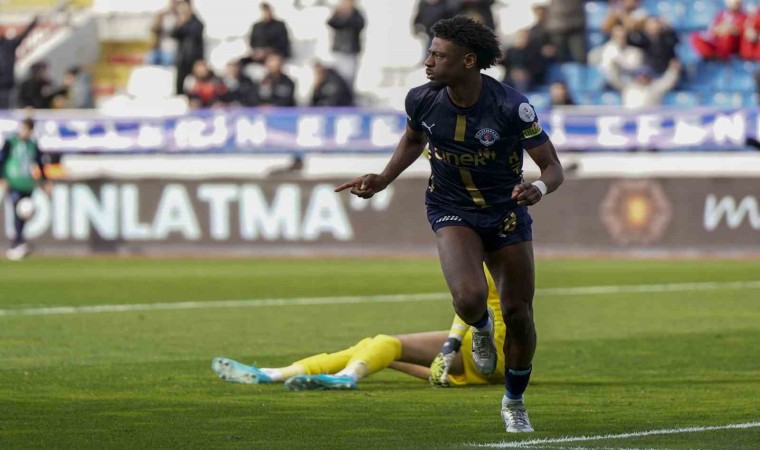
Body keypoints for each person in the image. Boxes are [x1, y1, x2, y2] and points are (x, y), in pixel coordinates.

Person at [334, 16, 564, 433]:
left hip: (506, 212)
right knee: (469, 298)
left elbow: (552, 167)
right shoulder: (421, 99)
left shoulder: (511, 106)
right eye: (430, 53)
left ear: (468, 61)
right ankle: (481, 328)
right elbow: (413, 139)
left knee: (519, 314)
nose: (428, 62)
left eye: (438, 55)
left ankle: (514, 402)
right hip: (450, 207)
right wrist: (383, 178)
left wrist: (539, 189)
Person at [213, 267, 507, 389]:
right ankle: (274, 374)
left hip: (492, 350)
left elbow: (473, 306)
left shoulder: (493, 253)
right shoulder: (490, 248)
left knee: (386, 343)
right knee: (372, 348)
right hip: (487, 351)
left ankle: (346, 377)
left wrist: (451, 344)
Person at [0, 118, 52, 260]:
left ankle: (18, 242)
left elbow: (40, 164)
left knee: (24, 213)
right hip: (13, 182)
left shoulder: (32, 145)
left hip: (27, 183)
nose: (24, 131)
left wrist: (45, 181)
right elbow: (1, 160)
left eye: (27, 129)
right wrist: (2, 177)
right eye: (23, 128)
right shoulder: (11, 142)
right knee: (18, 209)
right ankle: (17, 243)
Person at [608, 60, 681, 109]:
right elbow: (615, 80)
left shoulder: (656, 87)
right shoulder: (628, 86)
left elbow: (669, 81)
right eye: (641, 75)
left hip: (650, 119)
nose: (643, 78)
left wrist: (673, 70)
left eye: (646, 75)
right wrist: (613, 68)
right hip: (630, 120)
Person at [0, 17, 39, 109]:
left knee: (7, 108)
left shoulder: (9, 44)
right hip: (6, 84)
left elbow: (23, 35)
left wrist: (33, 23)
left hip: (8, 85)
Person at [326, 0, 366, 87]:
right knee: (337, 78)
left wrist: (348, 14)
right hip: (338, 51)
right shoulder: (337, 14)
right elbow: (332, 23)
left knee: (348, 78)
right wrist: (340, 13)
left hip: (351, 52)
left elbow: (359, 25)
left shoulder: (356, 15)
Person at [170, 0, 205, 95]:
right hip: (182, 59)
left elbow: (194, 32)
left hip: (195, 59)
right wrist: (181, 22)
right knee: (179, 86)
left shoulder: (197, 23)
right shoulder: (180, 22)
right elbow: (173, 34)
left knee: (196, 87)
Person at [146, 0, 181, 66]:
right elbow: (153, 29)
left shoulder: (180, 16)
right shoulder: (162, 15)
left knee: (168, 59)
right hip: (159, 48)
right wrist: (159, 19)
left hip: (172, 49)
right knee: (151, 58)